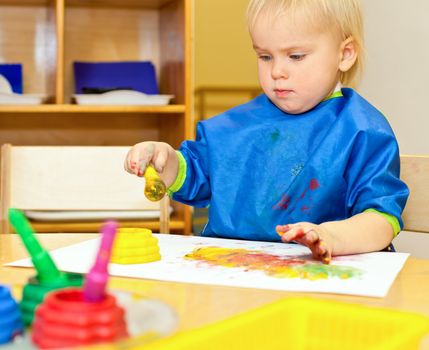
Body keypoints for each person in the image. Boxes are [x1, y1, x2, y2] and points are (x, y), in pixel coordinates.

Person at [124, 0, 409, 264]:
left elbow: (381, 219)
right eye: (265, 56)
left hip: (324, 279)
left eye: (295, 56)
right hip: (233, 272)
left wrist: (333, 236)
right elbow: (197, 176)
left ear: (344, 54)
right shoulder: (237, 126)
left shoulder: (361, 129)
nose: (277, 71)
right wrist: (165, 159)